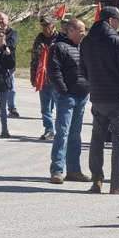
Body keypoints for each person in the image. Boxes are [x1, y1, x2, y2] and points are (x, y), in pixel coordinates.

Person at [83, 6, 119, 194]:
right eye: (118, 21)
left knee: (97, 138)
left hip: (98, 97)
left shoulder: (87, 41)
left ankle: (96, 181)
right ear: (109, 20)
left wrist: (94, 85)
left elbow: (82, 70)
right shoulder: (116, 41)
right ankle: (117, 183)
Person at [49, 18, 90, 183]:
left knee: (75, 135)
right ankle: (57, 170)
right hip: (67, 97)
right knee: (63, 133)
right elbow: (54, 71)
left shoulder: (84, 48)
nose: (83, 33)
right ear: (71, 30)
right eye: (81, 31)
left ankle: (74, 170)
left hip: (82, 95)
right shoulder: (58, 47)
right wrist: (64, 91)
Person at [31, 15, 59, 140]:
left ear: (53, 25)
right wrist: (33, 77)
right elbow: (34, 60)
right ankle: (49, 130)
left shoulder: (60, 39)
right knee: (45, 108)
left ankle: (61, 130)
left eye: (47, 25)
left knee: (60, 107)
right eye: (43, 25)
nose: (45, 28)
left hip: (57, 79)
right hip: (43, 79)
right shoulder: (39, 39)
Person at [0, 12, 19, 118]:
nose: (1, 21)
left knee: (11, 87)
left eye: (3, 19)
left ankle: (12, 108)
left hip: (9, 65)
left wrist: (2, 42)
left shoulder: (13, 33)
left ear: (7, 20)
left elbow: (12, 45)